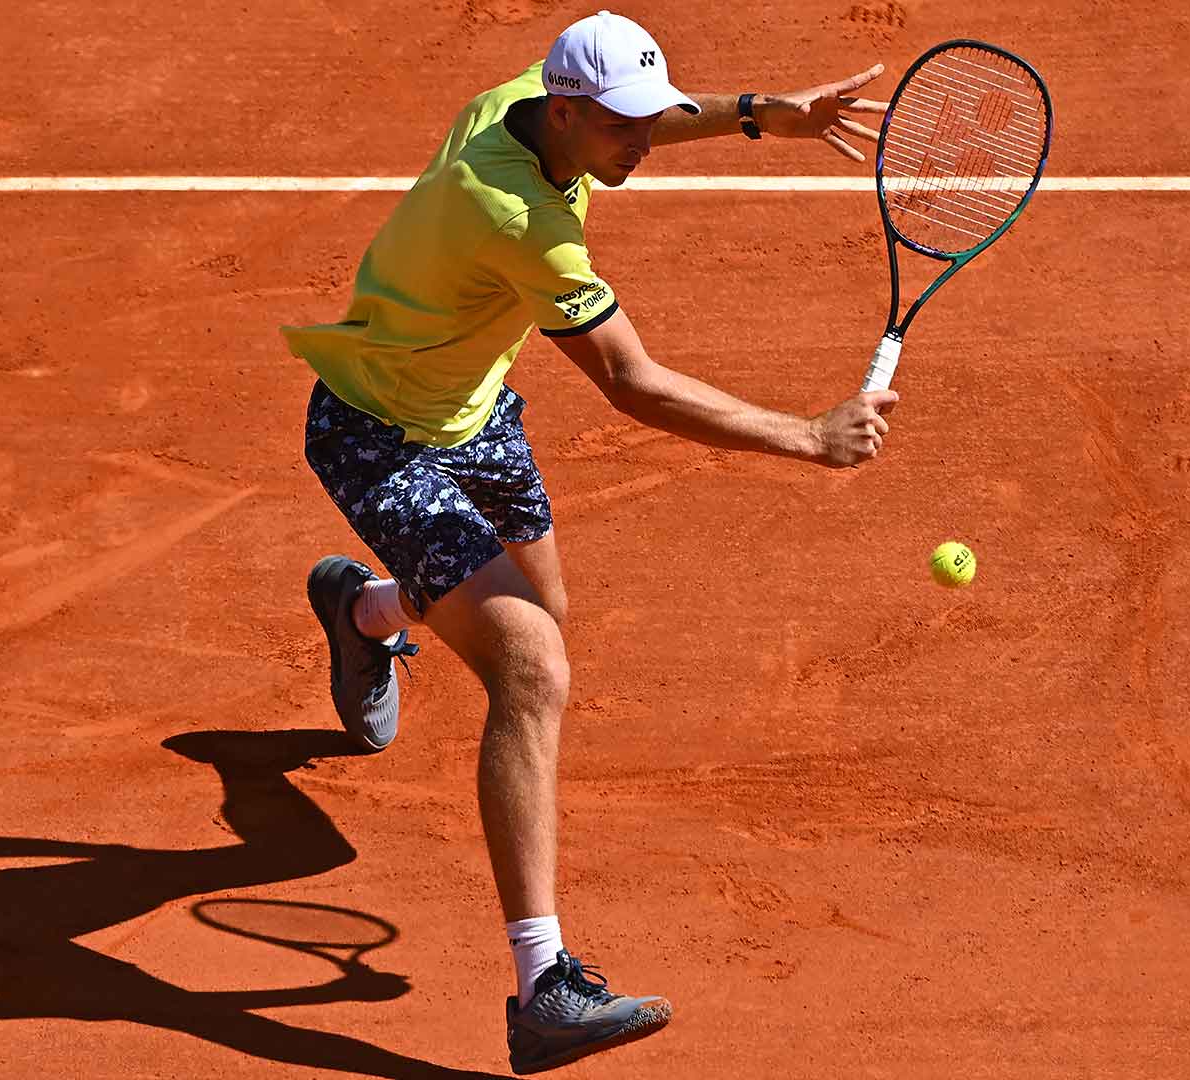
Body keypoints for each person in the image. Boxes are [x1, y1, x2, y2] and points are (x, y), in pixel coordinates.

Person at [284, 10, 896, 1074]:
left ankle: (362, 613)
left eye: (648, 120)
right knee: (532, 665)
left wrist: (764, 115)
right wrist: (807, 434)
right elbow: (631, 383)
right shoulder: (515, 216)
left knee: (537, 610)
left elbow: (648, 112)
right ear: (565, 113)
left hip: (471, 410)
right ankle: (544, 987)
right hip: (378, 435)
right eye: (624, 129)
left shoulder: (530, 98)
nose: (644, 143)